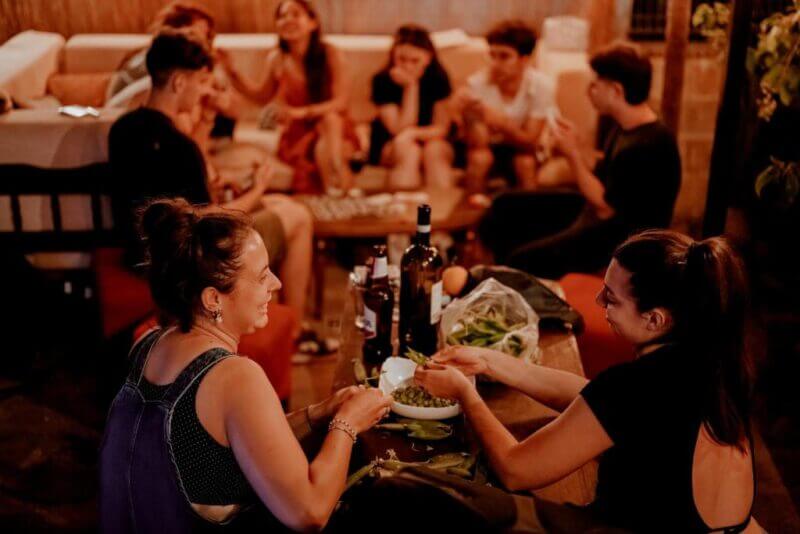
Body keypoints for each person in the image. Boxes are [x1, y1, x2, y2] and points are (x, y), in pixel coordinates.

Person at [415, 229, 759, 533]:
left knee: (432, 497)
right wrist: (489, 362)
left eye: (610, 298)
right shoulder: (715, 363)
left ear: (655, 319)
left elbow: (515, 469)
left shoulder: (636, 386)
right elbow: (598, 401)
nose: (598, 303)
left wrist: (464, 392)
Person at [99, 198, 392, 532]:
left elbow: (236, 439)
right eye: (262, 275)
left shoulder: (149, 343)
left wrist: (319, 413)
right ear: (213, 299)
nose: (277, 284)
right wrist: (347, 423)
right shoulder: (234, 376)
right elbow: (310, 512)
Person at [108, 32, 314, 342]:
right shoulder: (179, 146)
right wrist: (258, 188)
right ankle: (295, 333)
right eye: (201, 82)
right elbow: (208, 223)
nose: (204, 91)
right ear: (179, 83)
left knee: (280, 207)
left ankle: (274, 312)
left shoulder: (121, 129)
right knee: (298, 217)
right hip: (184, 258)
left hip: (138, 247)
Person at [479, 42, 681, 279]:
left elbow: (605, 207)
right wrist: (576, 143)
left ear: (616, 91)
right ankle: (501, 280)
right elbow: (604, 174)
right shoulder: (625, 126)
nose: (590, 89)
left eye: (596, 83)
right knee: (504, 205)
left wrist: (572, 154)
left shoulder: (650, 144)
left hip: (621, 237)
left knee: (522, 260)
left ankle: (515, 288)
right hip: (596, 213)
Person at [219, 0, 359, 194]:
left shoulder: (330, 53)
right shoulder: (277, 59)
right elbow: (261, 97)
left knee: (330, 122)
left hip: (335, 126)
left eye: (295, 14)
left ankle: (332, 191)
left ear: (313, 23)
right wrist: (232, 72)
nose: (288, 20)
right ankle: (340, 191)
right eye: (282, 16)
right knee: (329, 141)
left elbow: (340, 102)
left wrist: (300, 112)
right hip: (299, 133)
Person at [453, 20, 555, 191]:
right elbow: (479, 142)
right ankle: (473, 213)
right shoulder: (477, 84)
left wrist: (500, 122)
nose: (495, 63)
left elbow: (530, 142)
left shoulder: (541, 87)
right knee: (480, 159)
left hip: (523, 150)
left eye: (504, 56)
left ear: (524, 60)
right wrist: (467, 115)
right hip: (488, 148)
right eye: (492, 55)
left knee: (525, 162)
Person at [369, 24, 454, 190]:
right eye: (401, 59)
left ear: (428, 58)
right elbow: (398, 130)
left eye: (415, 61)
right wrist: (411, 87)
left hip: (430, 139)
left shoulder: (438, 78)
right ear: (393, 56)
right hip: (392, 143)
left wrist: (414, 133)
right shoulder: (382, 80)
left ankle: (437, 210)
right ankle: (404, 211)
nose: (407, 66)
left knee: (434, 151)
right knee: (409, 150)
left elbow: (442, 127)